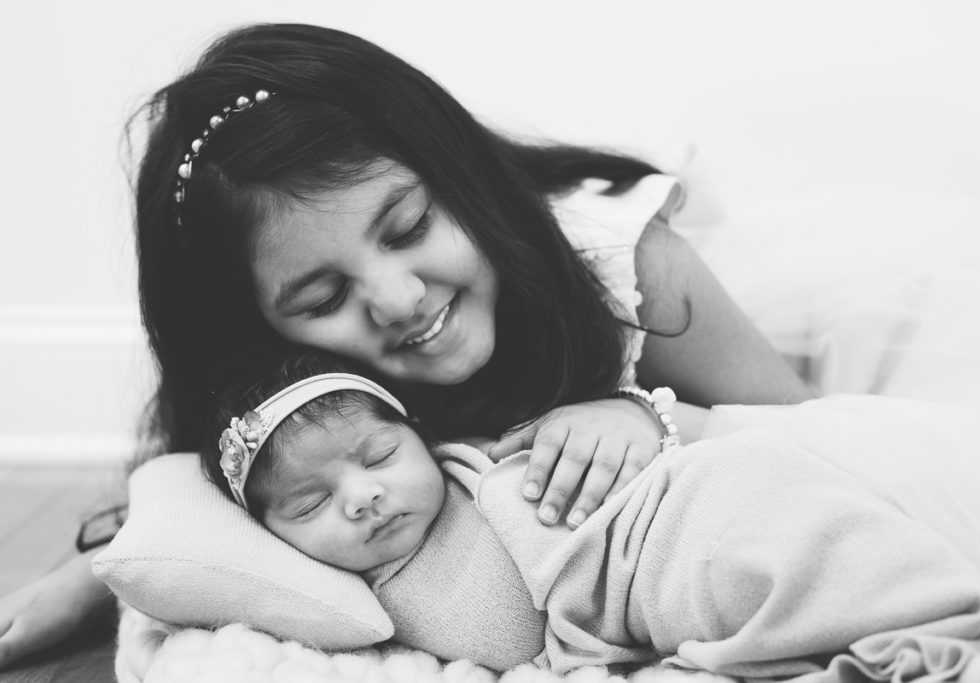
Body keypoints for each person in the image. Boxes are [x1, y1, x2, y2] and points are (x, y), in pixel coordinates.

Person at [0, 22, 814, 669]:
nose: (399, 299)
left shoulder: (632, 270)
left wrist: (645, 414)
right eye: (323, 298)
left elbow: (812, 437)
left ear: (461, 179)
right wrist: (87, 581)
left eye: (411, 226)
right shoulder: (292, 381)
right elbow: (205, 487)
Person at [198, 350, 980, 680]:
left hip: (680, 518)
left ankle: (927, 623)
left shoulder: (478, 468)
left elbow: (637, 472)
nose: (363, 495)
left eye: (379, 457)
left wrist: (630, 414)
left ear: (420, 435)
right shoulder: (353, 601)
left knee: (795, 544)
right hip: (657, 596)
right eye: (311, 503)